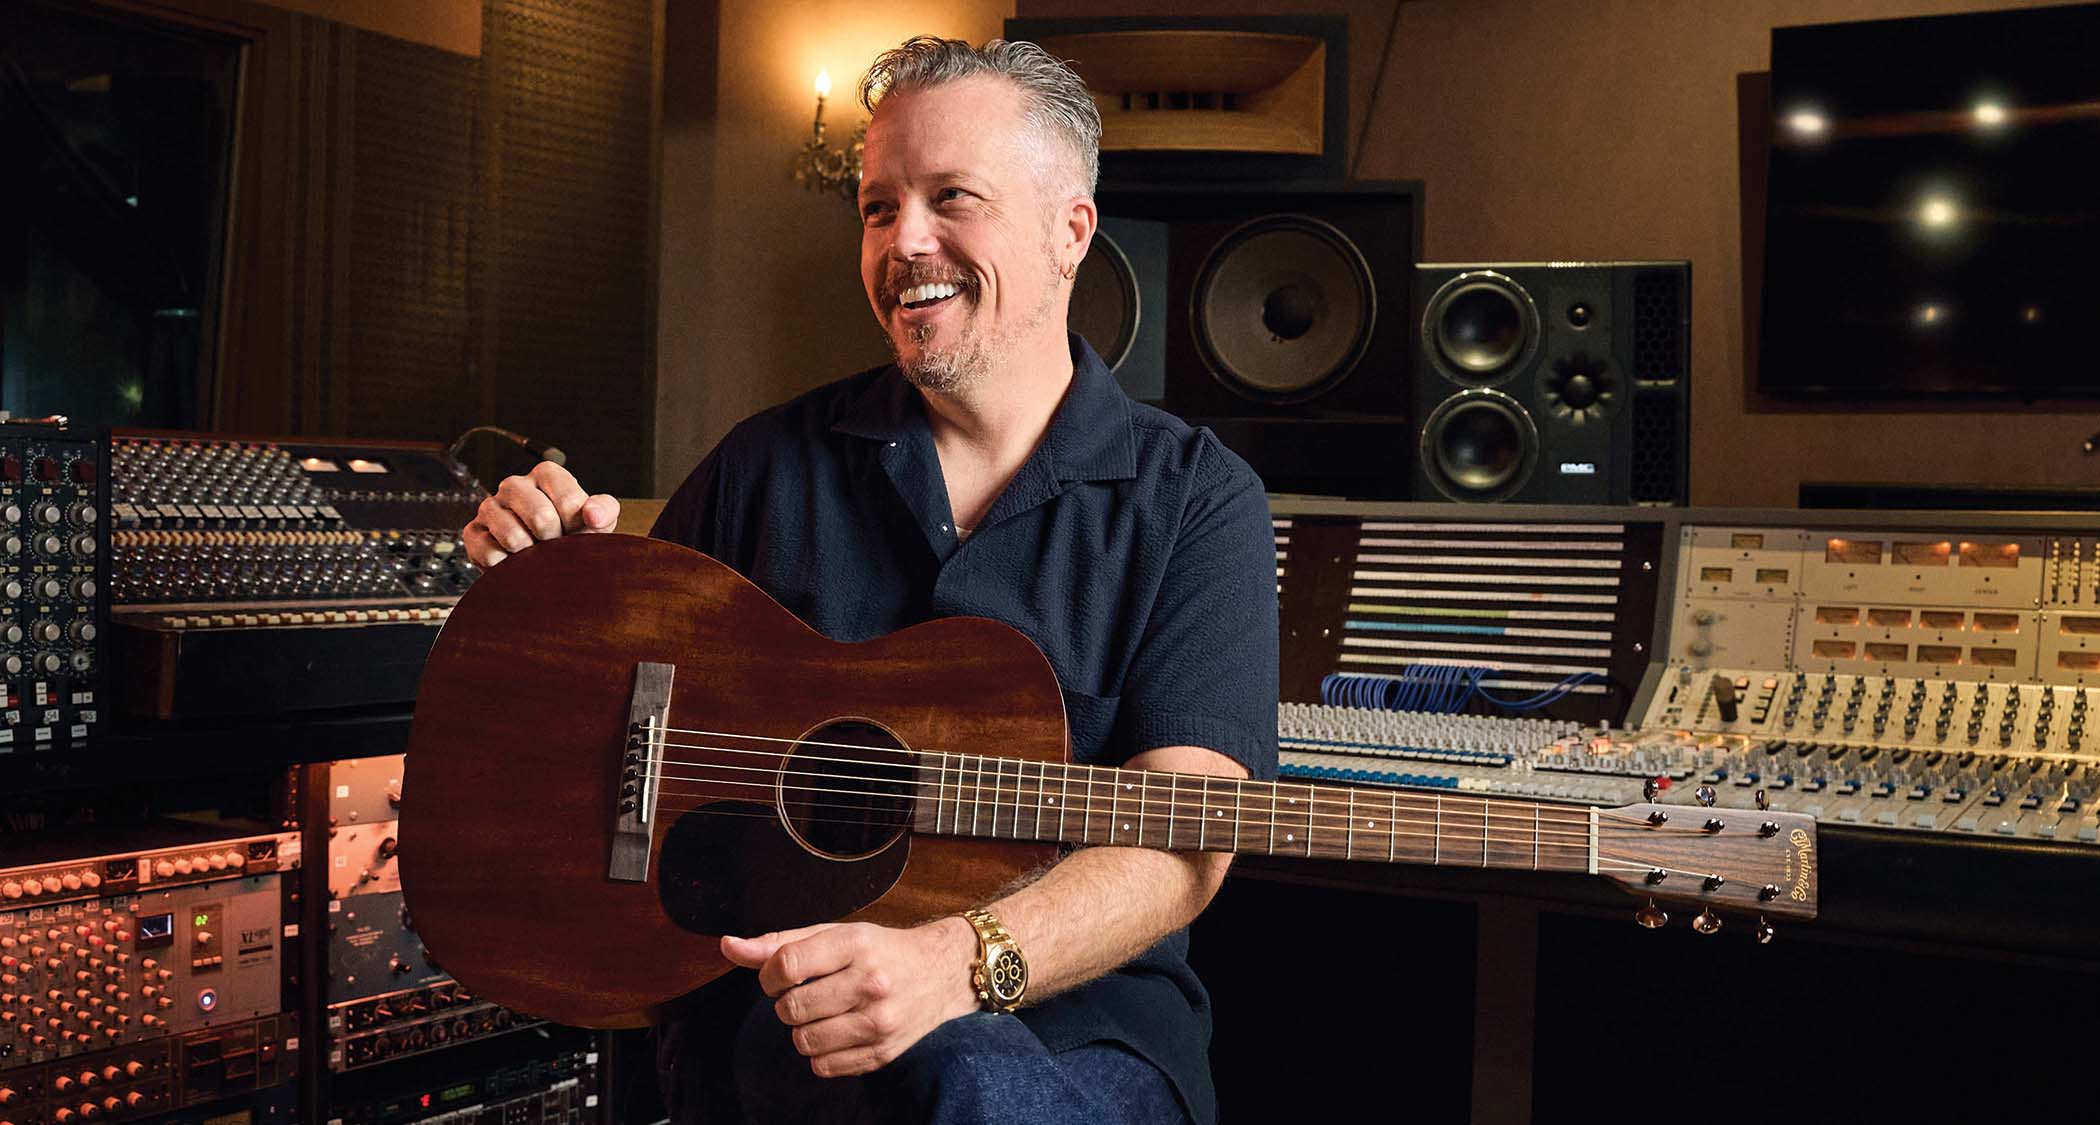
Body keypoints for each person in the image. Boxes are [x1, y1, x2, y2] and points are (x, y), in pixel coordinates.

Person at [461, 36, 1278, 1124]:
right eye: (879, 208)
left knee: (971, 1080)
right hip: (776, 1015)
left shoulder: (1197, 500)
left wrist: (959, 962)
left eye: (952, 198)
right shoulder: (764, 466)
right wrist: (549, 592)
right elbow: (578, 723)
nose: (906, 242)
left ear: (1070, 231)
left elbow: (1185, 840)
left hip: (1084, 1034)